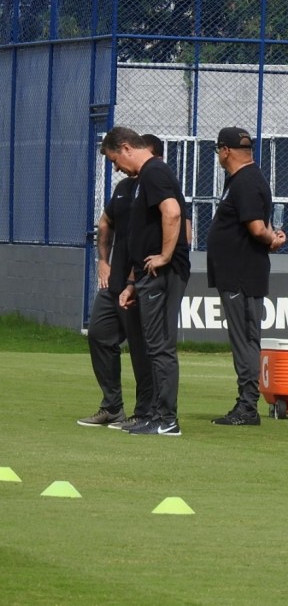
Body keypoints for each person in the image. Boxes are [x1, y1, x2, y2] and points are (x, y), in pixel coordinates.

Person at [100, 126, 190, 436]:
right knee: (154, 346)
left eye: (115, 160)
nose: (116, 167)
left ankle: (167, 420)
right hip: (146, 275)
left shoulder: (155, 172)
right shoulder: (143, 179)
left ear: (125, 148)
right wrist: (131, 282)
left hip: (163, 273)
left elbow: (173, 213)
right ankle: (154, 414)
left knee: (161, 347)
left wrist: (165, 255)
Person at [77, 138, 169, 430]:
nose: (117, 168)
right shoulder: (124, 189)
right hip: (115, 281)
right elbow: (105, 222)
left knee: (142, 349)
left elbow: (182, 230)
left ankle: (144, 412)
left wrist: (156, 262)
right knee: (99, 335)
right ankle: (112, 406)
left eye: (116, 161)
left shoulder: (159, 185)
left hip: (141, 280)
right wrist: (103, 260)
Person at [207, 127, 287, 426]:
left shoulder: (246, 181)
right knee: (245, 338)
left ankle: (247, 406)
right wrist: (270, 237)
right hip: (238, 272)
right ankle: (246, 404)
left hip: (241, 273)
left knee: (245, 340)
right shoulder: (242, 180)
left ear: (225, 150)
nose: (218, 155)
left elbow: (256, 228)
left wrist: (272, 240)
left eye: (218, 150)